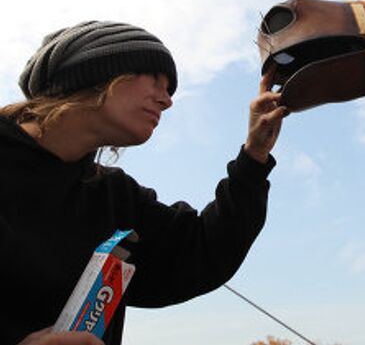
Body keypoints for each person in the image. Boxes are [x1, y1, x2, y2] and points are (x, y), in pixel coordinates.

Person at [0, 21, 289, 345]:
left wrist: (254, 156)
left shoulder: (113, 197)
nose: (167, 101)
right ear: (96, 71)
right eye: (156, 79)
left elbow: (200, 251)